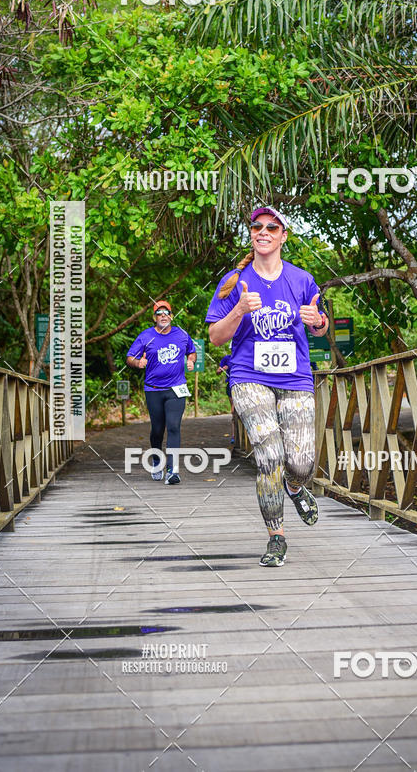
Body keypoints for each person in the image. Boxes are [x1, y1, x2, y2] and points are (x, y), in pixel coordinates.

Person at [206, 207, 329, 566]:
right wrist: (239, 309)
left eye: (271, 227)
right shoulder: (234, 281)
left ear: (283, 236)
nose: (263, 232)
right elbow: (215, 337)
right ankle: (276, 536)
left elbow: (321, 327)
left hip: (295, 377)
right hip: (248, 375)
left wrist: (317, 321)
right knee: (269, 454)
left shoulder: (302, 279)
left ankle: (295, 487)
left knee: (302, 464)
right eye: (257, 227)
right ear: (252, 234)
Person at [126, 300, 196, 484]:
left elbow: (192, 351)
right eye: (159, 313)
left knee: (173, 426)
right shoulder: (145, 336)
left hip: (176, 388)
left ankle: (172, 471)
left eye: (166, 312)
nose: (163, 315)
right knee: (157, 430)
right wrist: (138, 363)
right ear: (154, 317)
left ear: (171, 316)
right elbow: (130, 358)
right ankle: (157, 461)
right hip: (153, 389)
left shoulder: (181, 334)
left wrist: (191, 361)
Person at [216, 353, 235, 446]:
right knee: (234, 411)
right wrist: (221, 369)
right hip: (231, 385)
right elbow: (218, 371)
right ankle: (233, 435)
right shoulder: (227, 358)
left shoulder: (244, 355)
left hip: (243, 384)